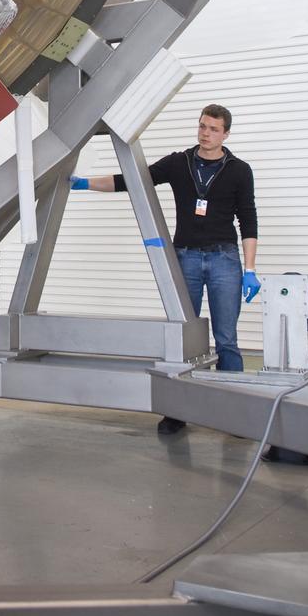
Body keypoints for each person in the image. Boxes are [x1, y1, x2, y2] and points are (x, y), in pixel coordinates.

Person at [71, 104, 260, 434]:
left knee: (226, 338)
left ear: (226, 133)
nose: (205, 133)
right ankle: (178, 410)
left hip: (224, 260)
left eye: (214, 129)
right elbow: (132, 181)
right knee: (182, 338)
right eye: (202, 126)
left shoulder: (239, 170)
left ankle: (236, 412)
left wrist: (250, 268)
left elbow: (248, 219)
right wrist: (86, 183)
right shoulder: (179, 163)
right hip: (185, 258)